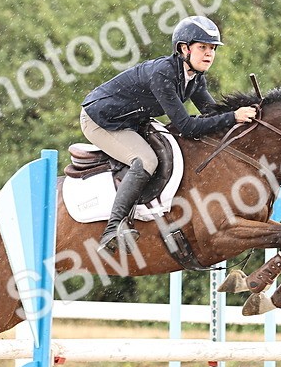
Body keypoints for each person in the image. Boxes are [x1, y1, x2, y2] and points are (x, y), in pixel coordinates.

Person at [80, 15, 257, 252]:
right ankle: (113, 229)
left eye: (212, 48)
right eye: (202, 47)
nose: (209, 54)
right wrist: (234, 116)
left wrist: (250, 110)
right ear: (184, 48)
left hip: (133, 120)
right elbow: (187, 126)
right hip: (101, 120)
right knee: (146, 160)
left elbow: (210, 113)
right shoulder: (163, 73)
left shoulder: (195, 78)